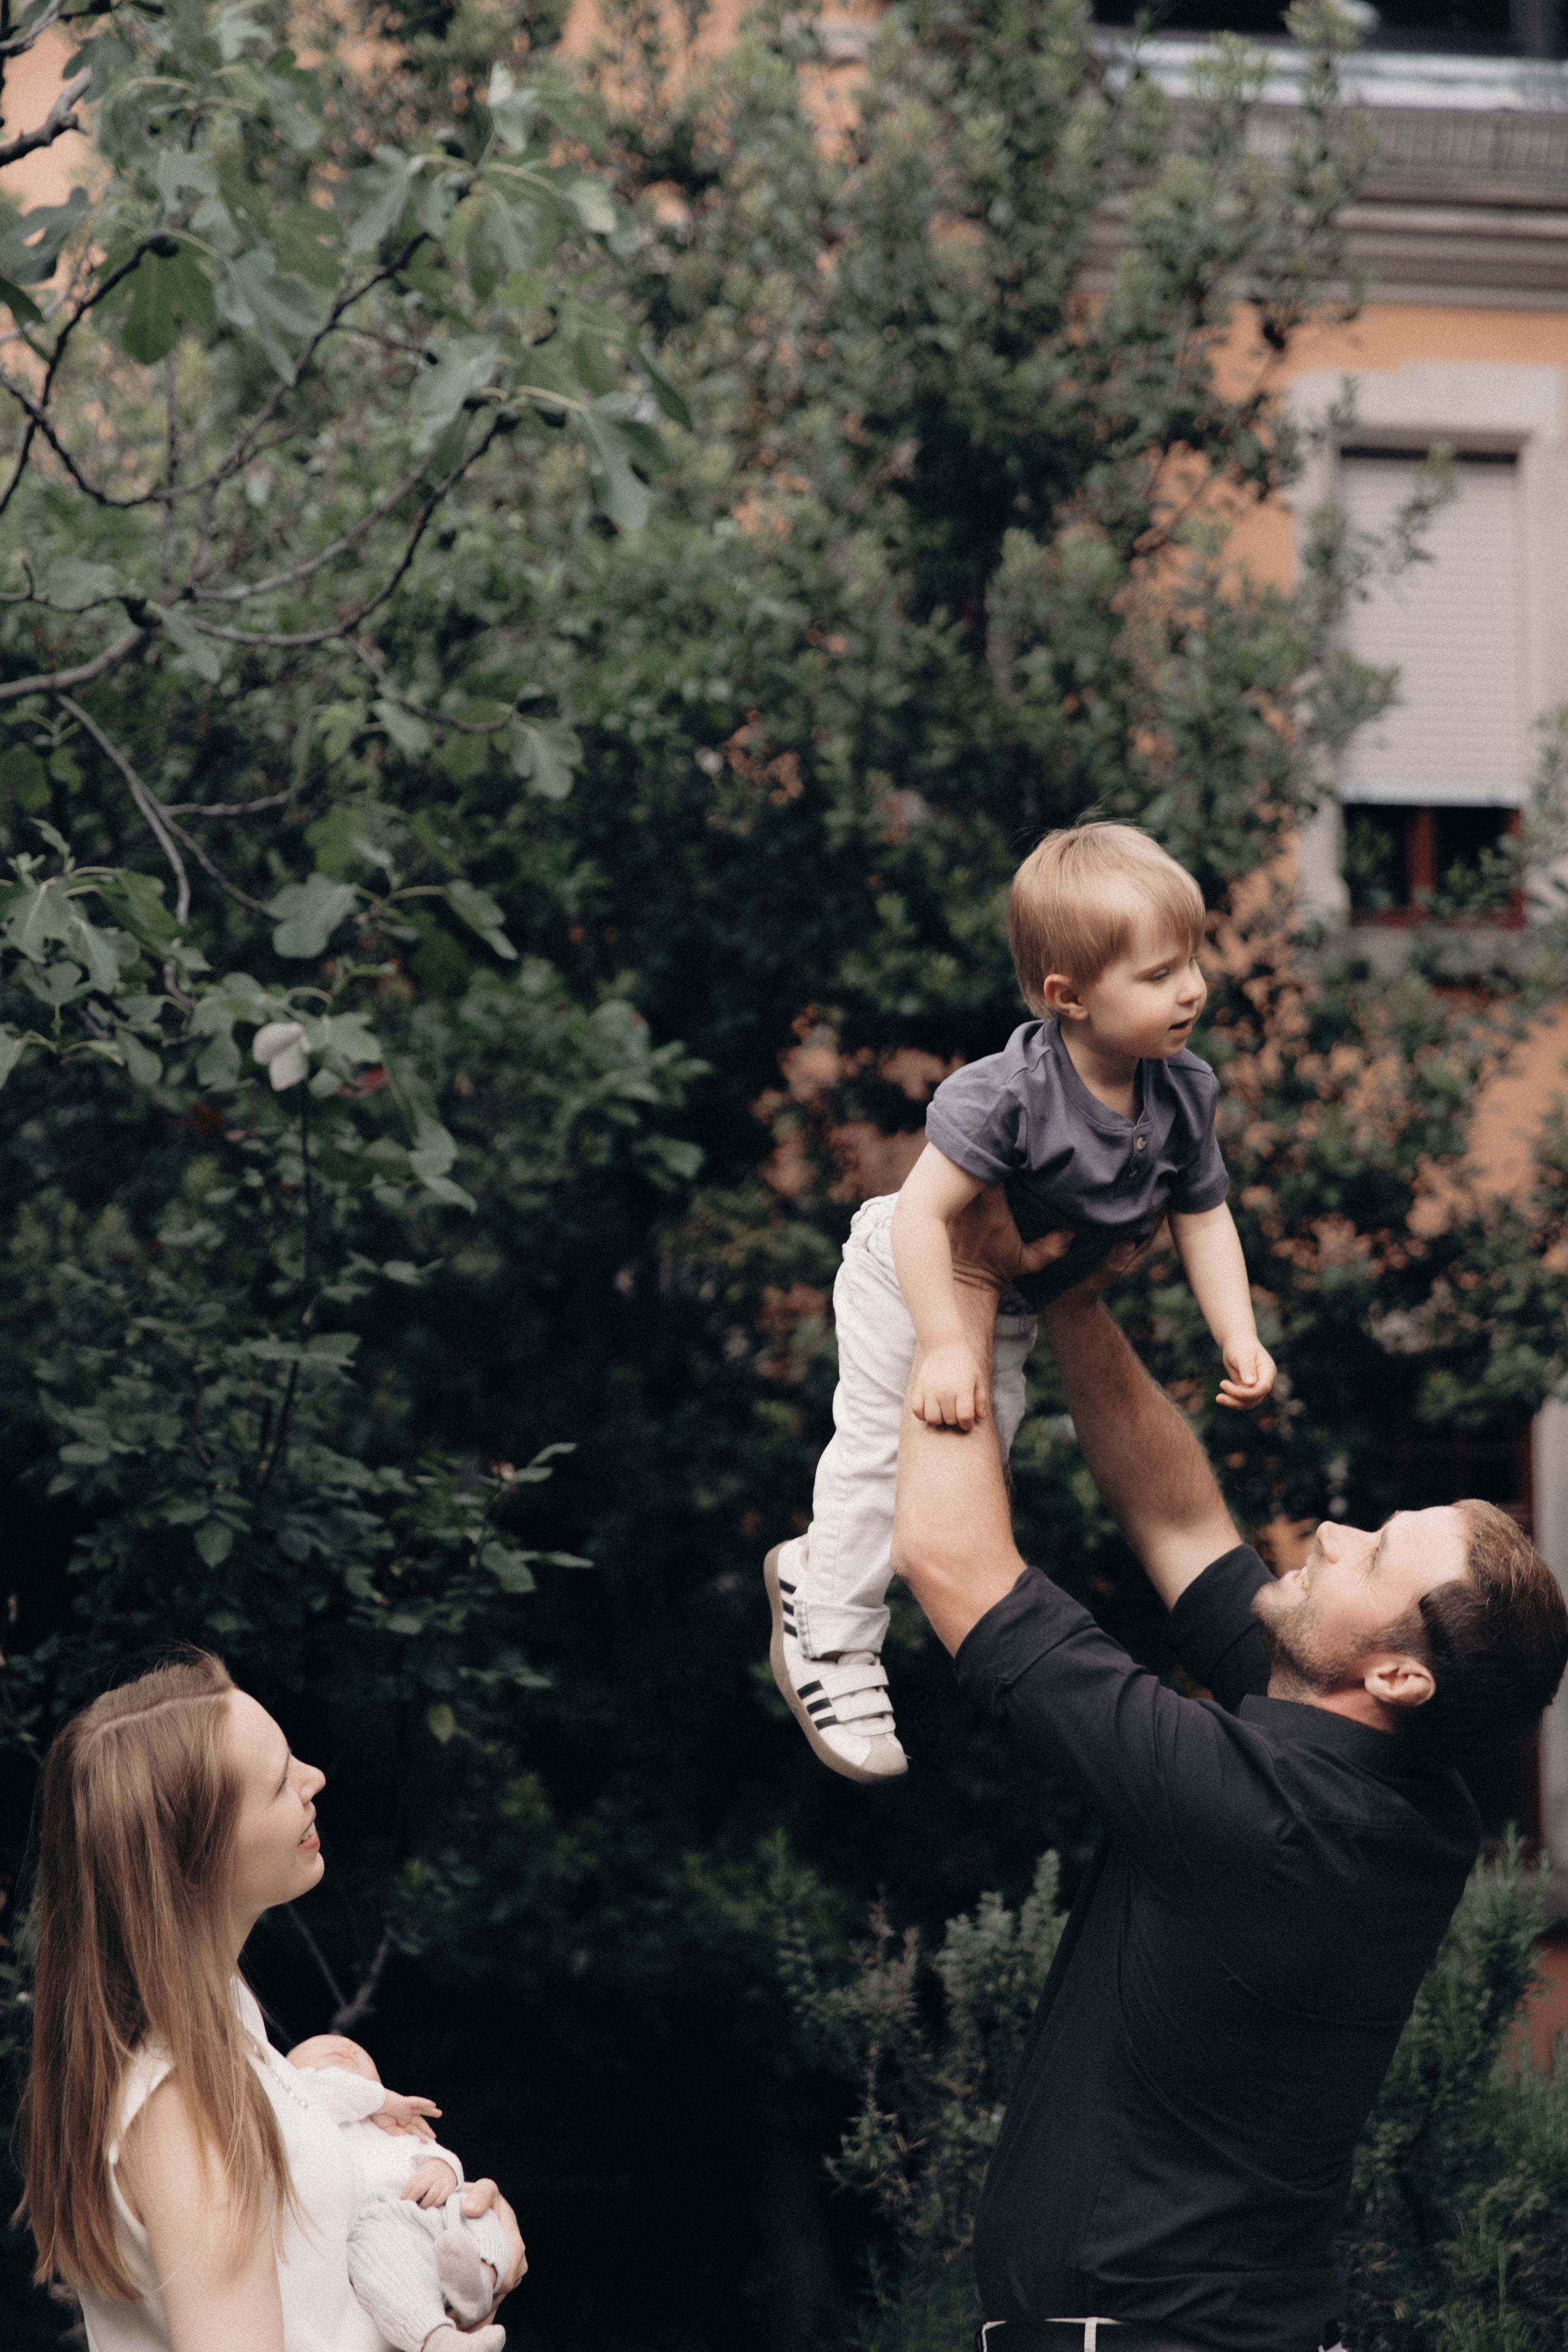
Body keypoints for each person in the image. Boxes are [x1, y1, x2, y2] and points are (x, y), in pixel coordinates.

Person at [888, 1188, 1568, 2352]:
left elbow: (951, 1559)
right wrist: (1073, 1300)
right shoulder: (1404, 1799)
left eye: (1377, 1553)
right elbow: (1181, 1525)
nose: (1336, 1536)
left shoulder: (1264, 1820)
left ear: (1400, 1677)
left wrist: (955, 1288)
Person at [766, 821, 1275, 1784]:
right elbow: (922, 1220)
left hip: (1006, 1298)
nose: (1193, 988)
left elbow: (1204, 1218)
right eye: (1160, 973)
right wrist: (947, 1345)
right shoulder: (1010, 1094)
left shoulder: (1181, 1091)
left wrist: (1236, 1334)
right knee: (892, 1442)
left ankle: (830, 1575)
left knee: (970, 1464)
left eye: (1194, 960)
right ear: (1067, 997)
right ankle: (826, 1627)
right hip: (908, 1271)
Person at [17, 1653, 526, 2352]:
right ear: (196, 1865)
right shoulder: (181, 2097)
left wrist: (457, 2253)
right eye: (280, 1781)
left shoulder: (222, 2024)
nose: (314, 1780)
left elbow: (316, 2298)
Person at [286, 2033, 512, 2352]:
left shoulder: (392, 2129)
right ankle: (438, 2339)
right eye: (319, 2046)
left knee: (478, 2211)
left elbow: (436, 2152)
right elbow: (313, 2090)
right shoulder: (305, 2116)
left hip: (436, 2218)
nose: (346, 2047)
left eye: (361, 2053)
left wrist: (443, 2169)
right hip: (381, 2226)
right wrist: (382, 2100)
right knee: (381, 2267)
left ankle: (478, 2285)